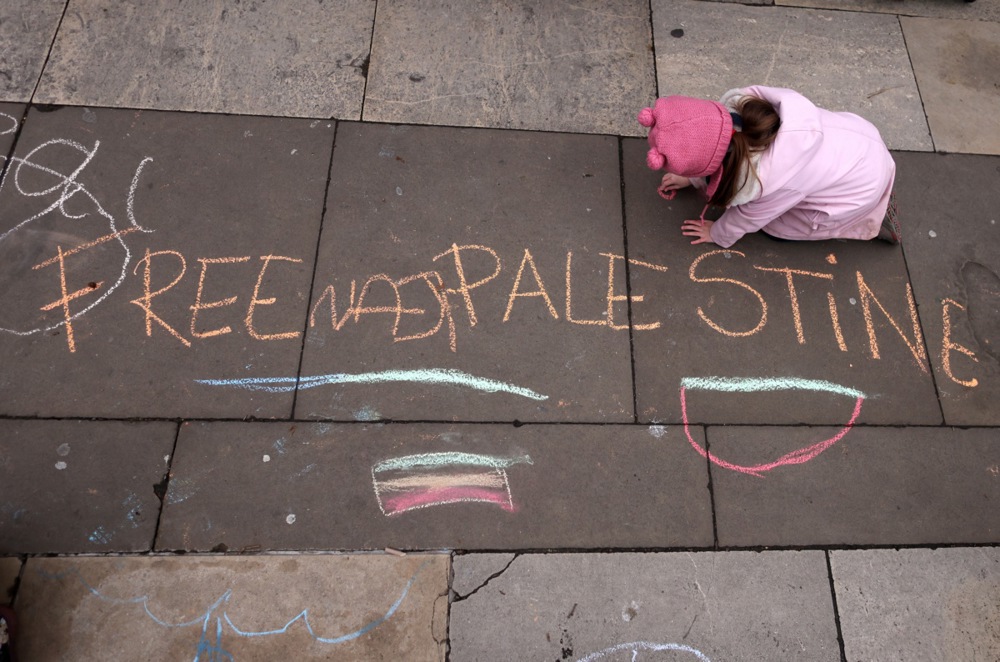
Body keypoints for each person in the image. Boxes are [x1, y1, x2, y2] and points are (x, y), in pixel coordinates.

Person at [637, 86, 900, 247]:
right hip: (858, 139)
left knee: (778, 230)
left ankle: (873, 216)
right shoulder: (748, 115)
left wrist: (718, 233)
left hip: (859, 188)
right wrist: (691, 177)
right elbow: (717, 150)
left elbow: (749, 217)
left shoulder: (772, 179)